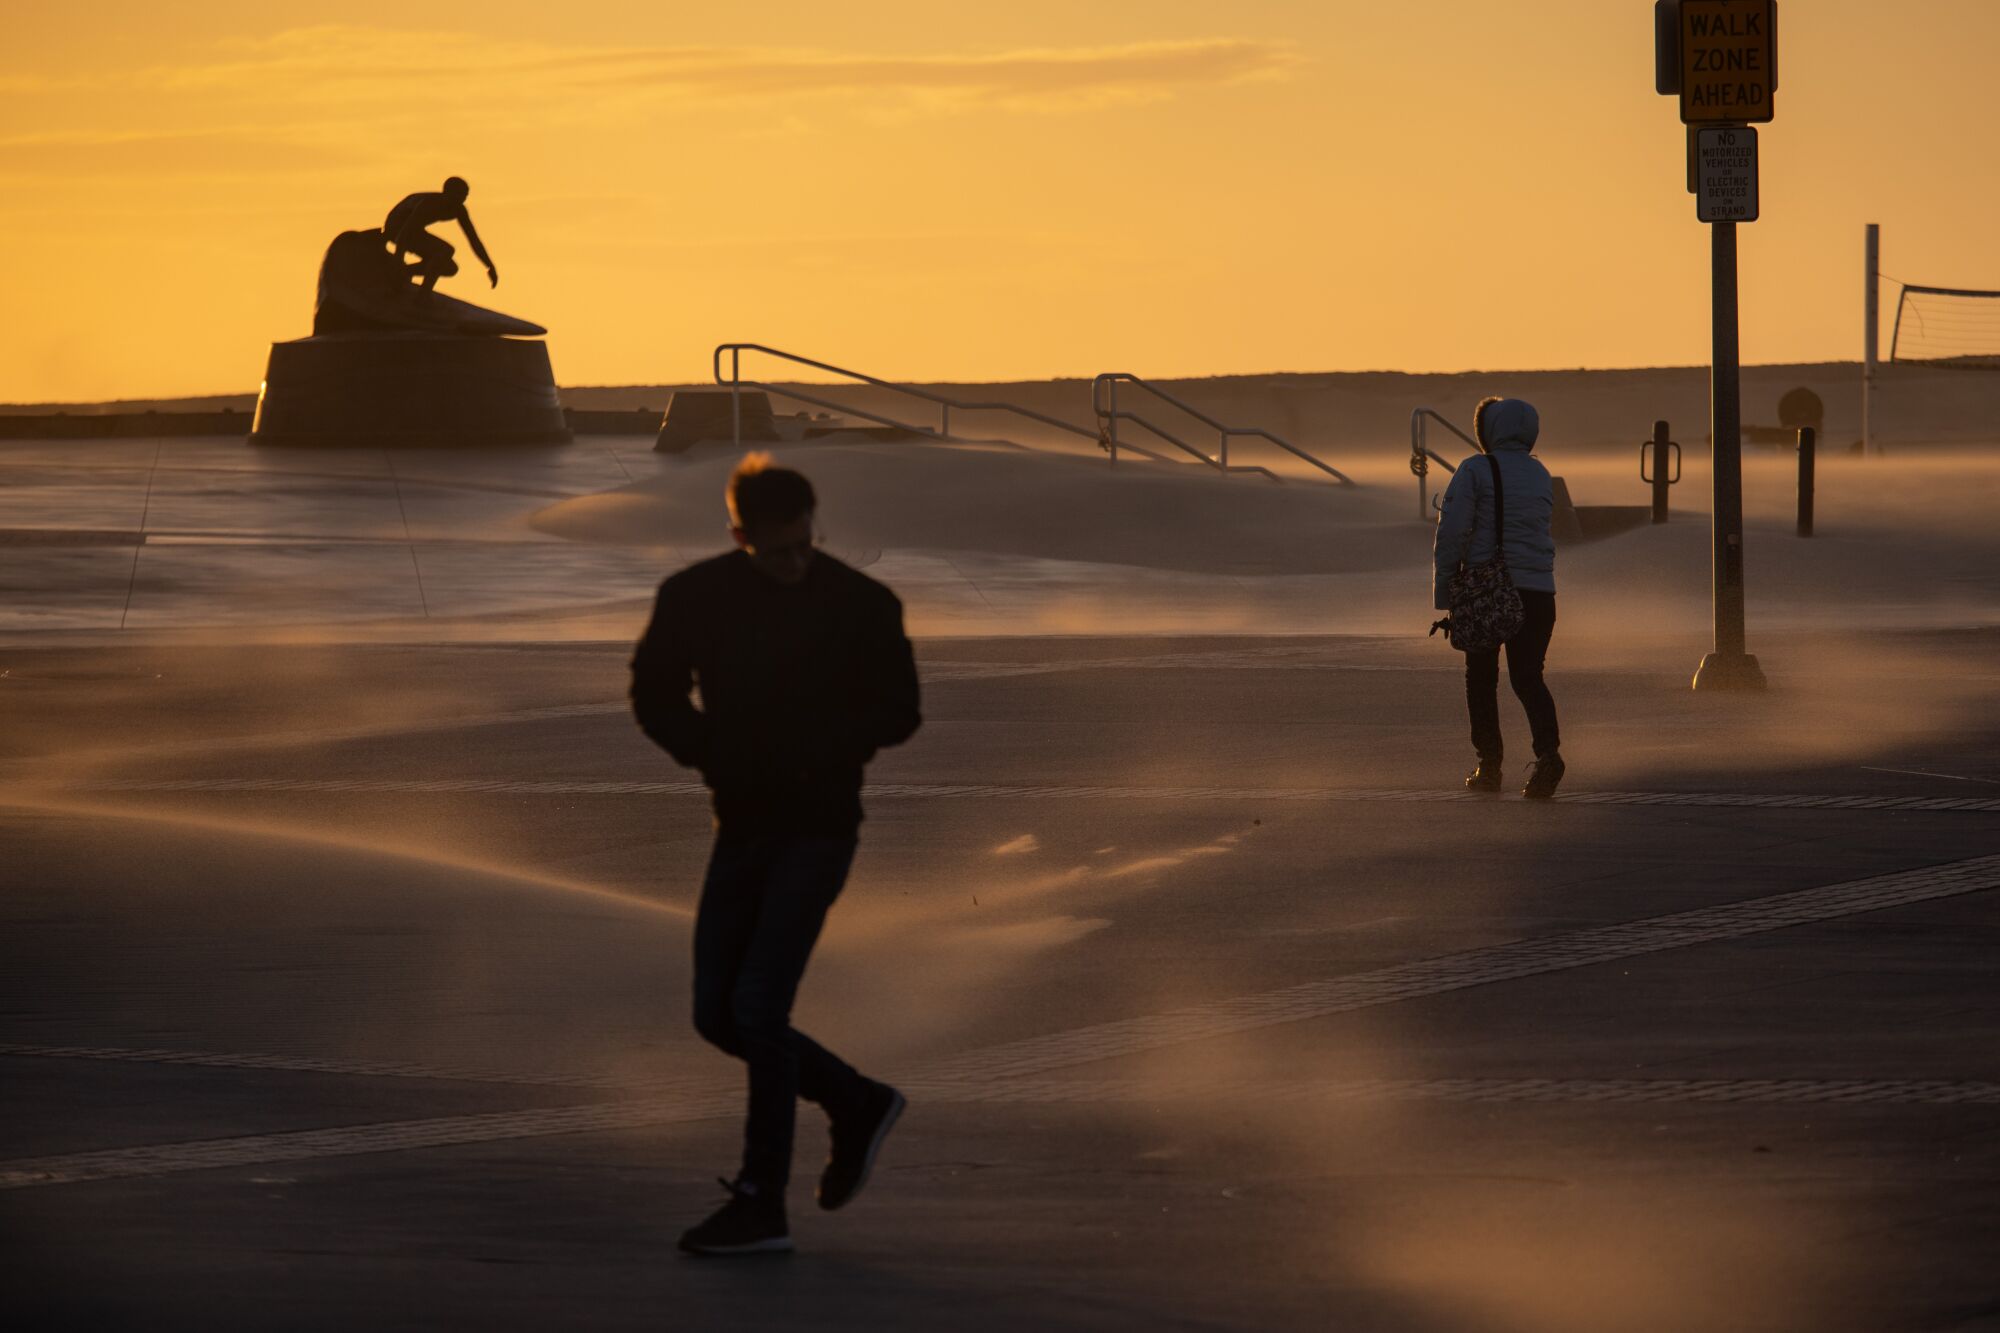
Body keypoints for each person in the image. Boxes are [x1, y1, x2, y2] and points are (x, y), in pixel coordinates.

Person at [630, 455, 921, 1256]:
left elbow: (900, 709)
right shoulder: (695, 596)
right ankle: (855, 1101)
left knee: (757, 1011)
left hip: (820, 826)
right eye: (778, 550)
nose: (797, 562)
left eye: (806, 544)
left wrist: (818, 748)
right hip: (742, 823)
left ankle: (763, 1202)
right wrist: (711, 751)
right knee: (716, 1014)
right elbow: (653, 690)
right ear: (740, 536)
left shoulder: (862, 602)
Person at [1432, 396, 1564, 800]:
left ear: (1487, 431)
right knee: (1528, 678)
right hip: (1540, 591)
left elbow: (1451, 532)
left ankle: (1489, 765)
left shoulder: (1475, 469)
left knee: (1481, 677)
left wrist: (1444, 593)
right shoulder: (1541, 473)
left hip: (1490, 589)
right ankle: (1548, 755)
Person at [382, 176, 497, 291]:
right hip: (396, 228)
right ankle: (423, 294)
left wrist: (489, 265)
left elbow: (474, 239)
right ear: (447, 193)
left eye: (465, 195)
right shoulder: (430, 203)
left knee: (450, 268)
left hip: (412, 231)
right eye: (458, 194)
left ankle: (405, 272)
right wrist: (398, 260)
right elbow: (406, 231)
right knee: (446, 250)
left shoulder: (459, 210)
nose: (462, 199)